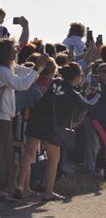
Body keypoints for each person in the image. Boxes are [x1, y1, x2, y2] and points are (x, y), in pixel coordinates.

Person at [16, 62, 100, 201]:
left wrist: (80, 88)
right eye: (81, 74)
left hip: (36, 119)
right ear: (76, 76)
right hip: (52, 126)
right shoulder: (72, 92)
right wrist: (97, 93)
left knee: (29, 154)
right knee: (53, 159)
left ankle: (20, 186)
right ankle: (48, 192)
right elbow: (88, 104)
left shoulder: (55, 82)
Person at [0, 38, 48, 200]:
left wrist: (39, 66)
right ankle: (2, 191)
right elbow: (22, 85)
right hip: (1, 118)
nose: (17, 51)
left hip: (5, 117)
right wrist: (36, 67)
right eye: (14, 49)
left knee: (6, 155)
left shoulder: (8, 68)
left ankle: (4, 190)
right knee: (3, 156)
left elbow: (25, 73)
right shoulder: (3, 71)